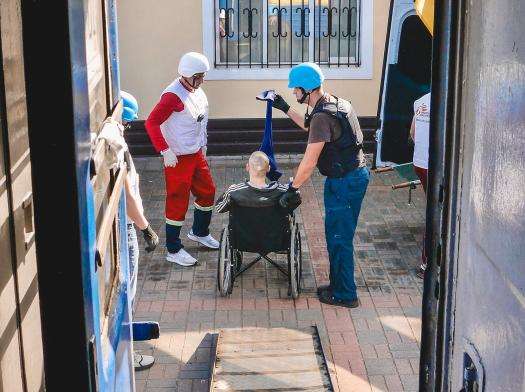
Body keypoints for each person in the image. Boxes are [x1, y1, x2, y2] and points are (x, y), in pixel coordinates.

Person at [271, 63, 369, 308]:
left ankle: (345, 295)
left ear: (307, 89)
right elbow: (310, 126)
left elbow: (309, 160)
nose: (294, 93)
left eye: (295, 90)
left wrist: (293, 187)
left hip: (344, 182)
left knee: (339, 237)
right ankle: (338, 285)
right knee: (337, 234)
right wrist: (285, 107)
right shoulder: (336, 103)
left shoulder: (323, 115)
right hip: (354, 175)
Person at [145, 52, 219, 267]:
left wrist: (203, 145)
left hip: (195, 153)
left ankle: (199, 232)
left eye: (203, 76)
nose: (202, 81)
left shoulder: (196, 90)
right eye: (199, 76)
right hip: (177, 157)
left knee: (208, 191)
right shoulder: (172, 96)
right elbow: (151, 123)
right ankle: (173, 249)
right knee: (177, 201)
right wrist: (164, 150)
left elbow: (201, 120)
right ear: (187, 75)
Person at [121, 91, 160, 370]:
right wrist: (146, 228)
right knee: (127, 292)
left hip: (118, 228)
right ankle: (126, 354)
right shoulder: (117, 148)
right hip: (125, 229)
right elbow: (127, 197)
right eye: (129, 122)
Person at [215, 151, 301, 214]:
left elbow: (219, 208)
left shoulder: (234, 191)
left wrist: (228, 191)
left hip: (243, 237)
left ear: (247, 167)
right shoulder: (284, 191)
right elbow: (296, 200)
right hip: (275, 237)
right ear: (268, 168)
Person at [409, 92, 431, 278]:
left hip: (419, 163)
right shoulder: (449, 101)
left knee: (432, 207)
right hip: (435, 166)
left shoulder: (420, 101)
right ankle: (427, 263)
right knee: (436, 214)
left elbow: (413, 133)